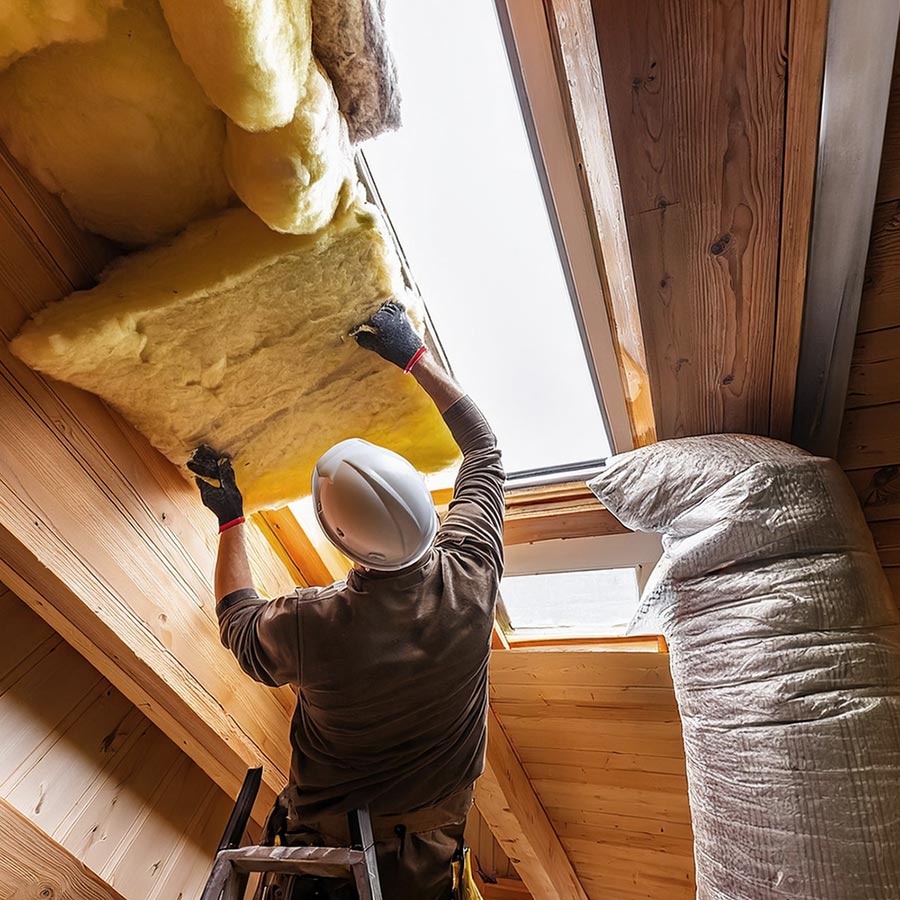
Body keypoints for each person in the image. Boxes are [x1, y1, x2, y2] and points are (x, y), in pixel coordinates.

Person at [189, 301, 504, 899]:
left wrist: (231, 520)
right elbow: (483, 450)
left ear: (340, 544)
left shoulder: (315, 624)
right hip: (427, 856)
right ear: (434, 515)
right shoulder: (473, 574)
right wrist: (414, 356)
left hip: (329, 859)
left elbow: (238, 624)